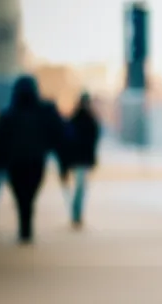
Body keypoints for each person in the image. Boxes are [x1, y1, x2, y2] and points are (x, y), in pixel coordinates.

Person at [0, 75, 65, 243]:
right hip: (35, 161)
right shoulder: (44, 111)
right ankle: (26, 226)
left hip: (15, 162)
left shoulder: (9, 114)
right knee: (29, 195)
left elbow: (1, 140)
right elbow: (58, 134)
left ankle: (24, 226)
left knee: (21, 196)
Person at [66, 92, 100, 228]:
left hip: (80, 158)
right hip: (80, 158)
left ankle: (76, 213)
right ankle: (76, 213)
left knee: (80, 187)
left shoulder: (79, 119)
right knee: (80, 187)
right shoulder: (86, 119)